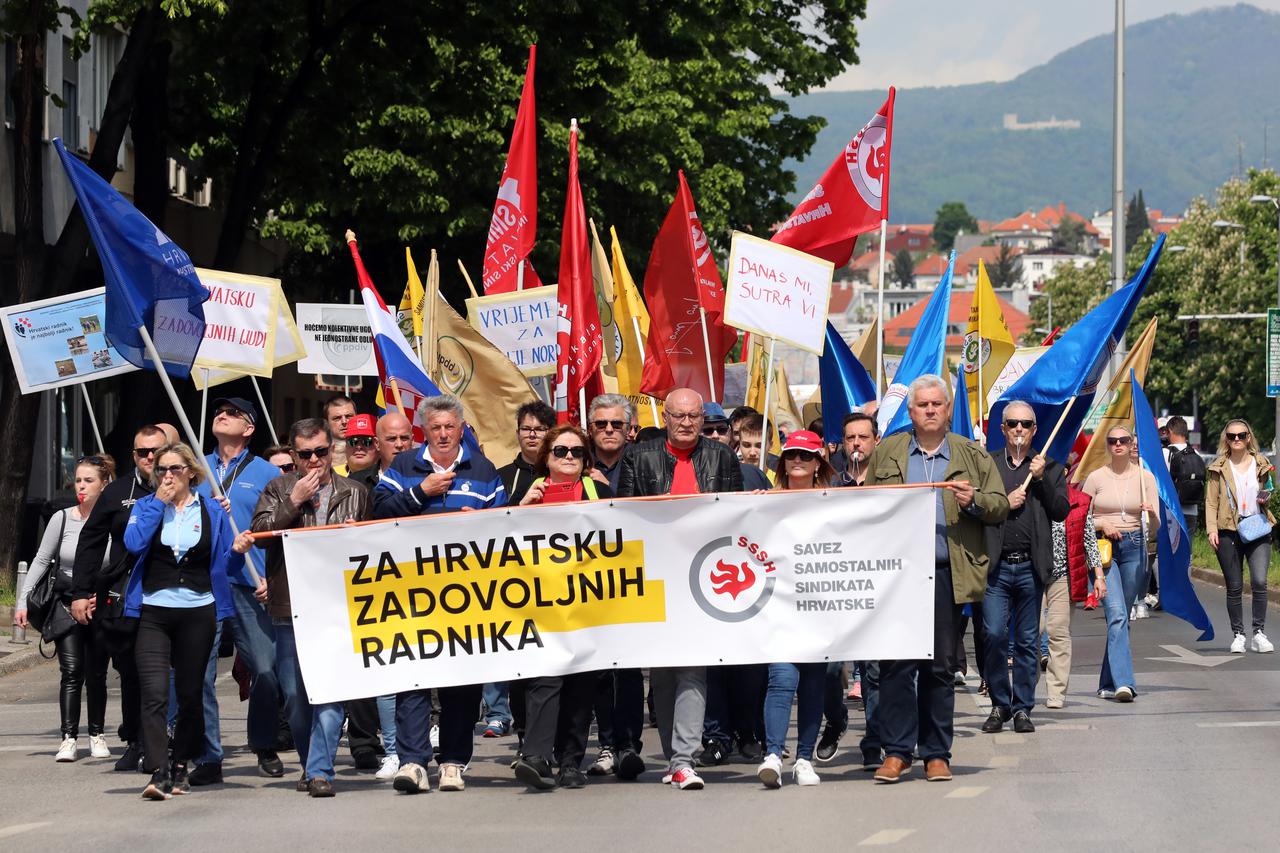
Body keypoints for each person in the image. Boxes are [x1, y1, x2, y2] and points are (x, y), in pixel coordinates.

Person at [868, 375, 1008, 783]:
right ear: (910, 412)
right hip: (899, 575)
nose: (929, 410)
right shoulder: (889, 451)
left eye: (937, 405)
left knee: (941, 667)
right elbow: (866, 505)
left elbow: (999, 505)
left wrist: (975, 501)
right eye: (922, 405)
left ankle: (936, 754)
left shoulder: (971, 453)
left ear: (948, 410)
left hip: (946, 573)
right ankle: (896, 752)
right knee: (895, 665)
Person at [373, 395, 508, 794]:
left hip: (465, 597)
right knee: (413, 677)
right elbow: (378, 514)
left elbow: (504, 529)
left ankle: (452, 762)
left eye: (451, 426)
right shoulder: (403, 467)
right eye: (436, 428)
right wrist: (422, 493)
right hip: (412, 593)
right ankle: (413, 762)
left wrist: (481, 523)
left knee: (461, 682)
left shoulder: (483, 471)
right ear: (424, 431)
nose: (444, 434)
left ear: (462, 428)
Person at [617, 387, 744, 790]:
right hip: (656, 577)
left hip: (703, 577)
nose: (688, 423)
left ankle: (684, 758)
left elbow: (738, 511)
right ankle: (676, 757)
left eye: (694, 417)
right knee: (664, 674)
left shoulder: (721, 456)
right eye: (679, 416)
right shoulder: (640, 457)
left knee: (693, 668)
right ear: (666, 418)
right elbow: (623, 515)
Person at [121, 442, 250, 800]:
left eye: (174, 469)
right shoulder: (147, 507)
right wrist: (158, 504)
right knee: (154, 694)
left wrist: (239, 552)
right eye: (160, 470)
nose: (166, 476)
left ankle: (181, 764)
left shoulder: (212, 510)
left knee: (192, 694)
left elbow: (226, 564)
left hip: (199, 610)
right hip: (153, 610)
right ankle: (160, 770)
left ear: (191, 473)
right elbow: (132, 543)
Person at [252, 418, 371, 797]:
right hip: (291, 607)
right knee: (296, 697)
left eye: (322, 451)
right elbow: (262, 536)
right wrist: (294, 501)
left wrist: (358, 536)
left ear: (332, 449)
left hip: (339, 606)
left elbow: (374, 548)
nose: (315, 461)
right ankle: (309, 762)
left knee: (331, 689)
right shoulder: (277, 487)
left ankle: (321, 770)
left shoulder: (354, 491)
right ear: (294, 454)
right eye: (305, 455)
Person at [512, 423, 615, 790]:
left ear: (586, 459)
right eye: (560, 451)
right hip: (541, 605)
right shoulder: (529, 493)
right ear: (547, 458)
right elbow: (502, 539)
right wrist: (521, 508)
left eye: (576, 452)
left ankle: (571, 761)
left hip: (588, 602)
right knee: (544, 678)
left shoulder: (599, 491)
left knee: (580, 684)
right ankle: (537, 756)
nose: (568, 457)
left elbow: (622, 534)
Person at [190, 397, 284, 785]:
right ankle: (208, 755)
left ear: (248, 429)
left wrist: (274, 580)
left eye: (232, 414)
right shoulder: (195, 469)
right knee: (200, 674)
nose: (221, 415)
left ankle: (263, 742)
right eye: (218, 412)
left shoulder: (265, 473)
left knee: (265, 668)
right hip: (206, 582)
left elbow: (280, 529)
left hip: (250, 581)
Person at [70, 424, 168, 772]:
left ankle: (180, 739)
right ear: (134, 455)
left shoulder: (187, 486)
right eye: (142, 452)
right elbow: (91, 541)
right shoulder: (117, 493)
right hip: (129, 592)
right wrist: (80, 593)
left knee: (177, 673)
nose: (150, 458)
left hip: (175, 590)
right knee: (131, 670)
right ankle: (137, 741)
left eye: (156, 450)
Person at [16, 454, 117, 762]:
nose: (81, 487)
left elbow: (122, 562)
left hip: (101, 603)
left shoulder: (113, 521)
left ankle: (97, 734)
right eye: (78, 480)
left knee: (97, 672)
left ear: (105, 485)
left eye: (89, 481)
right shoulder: (62, 519)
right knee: (71, 671)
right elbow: (41, 561)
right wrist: (22, 600)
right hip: (65, 602)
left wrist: (108, 593)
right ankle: (68, 738)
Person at [980, 403, 1069, 735]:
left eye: (1026, 424)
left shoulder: (1051, 467)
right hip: (996, 567)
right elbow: (975, 505)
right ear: (1002, 429)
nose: (1019, 428)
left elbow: (1060, 510)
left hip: (1030, 567)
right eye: (1013, 423)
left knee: (1029, 640)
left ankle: (1021, 708)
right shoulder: (987, 464)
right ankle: (999, 704)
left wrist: (1042, 478)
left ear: (1035, 430)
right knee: (993, 634)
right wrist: (1004, 501)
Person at [756, 431, 834, 788]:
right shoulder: (766, 501)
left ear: (818, 462)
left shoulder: (834, 502)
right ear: (783, 463)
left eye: (805, 455)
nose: (797, 461)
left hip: (821, 609)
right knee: (782, 678)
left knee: (814, 684)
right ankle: (773, 753)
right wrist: (752, 508)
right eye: (791, 456)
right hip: (779, 607)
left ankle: (804, 758)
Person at [817, 411, 880, 768]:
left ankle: (874, 737)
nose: (857, 443)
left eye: (863, 437)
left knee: (872, 669)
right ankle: (836, 719)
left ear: (875, 442)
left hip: (874, 589)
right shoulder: (831, 486)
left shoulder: (890, 483)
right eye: (850, 438)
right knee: (827, 669)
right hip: (835, 591)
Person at [582, 394, 640, 776]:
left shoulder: (642, 464)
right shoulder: (574, 461)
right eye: (600, 424)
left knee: (631, 668)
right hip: (588, 580)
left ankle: (630, 746)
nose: (607, 430)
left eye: (615, 424)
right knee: (600, 669)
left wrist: (609, 494)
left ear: (629, 430)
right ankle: (606, 744)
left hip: (635, 578)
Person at [1081, 425, 1159, 702]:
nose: (1118, 445)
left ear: (1131, 444)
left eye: (1123, 440)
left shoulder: (1145, 478)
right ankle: (1125, 683)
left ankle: (1107, 682)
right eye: (1112, 441)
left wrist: (1151, 515)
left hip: (1136, 547)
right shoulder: (1095, 477)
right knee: (1116, 615)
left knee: (1122, 618)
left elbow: (1155, 527)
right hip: (1103, 549)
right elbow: (1080, 519)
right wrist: (1103, 522)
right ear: (1107, 445)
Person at [1205, 419, 1275, 654]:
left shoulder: (1261, 463)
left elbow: (1270, 490)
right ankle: (1238, 634)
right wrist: (1211, 529)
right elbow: (1211, 501)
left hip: (1257, 528)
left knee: (1259, 582)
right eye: (1232, 436)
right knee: (1234, 586)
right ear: (1226, 439)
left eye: (1241, 435)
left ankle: (1259, 633)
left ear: (1248, 437)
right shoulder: (1218, 467)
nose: (1236, 439)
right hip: (1228, 530)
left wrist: (1267, 498)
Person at [1042, 479, 1104, 708]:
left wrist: (1098, 576)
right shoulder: (1032, 494)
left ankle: (1056, 693)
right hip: (1033, 574)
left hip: (1063, 576)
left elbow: (1089, 539)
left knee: (1058, 631)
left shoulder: (1079, 501)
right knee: (1032, 631)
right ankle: (1024, 689)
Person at [498, 400, 555, 506]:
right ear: (518, 433)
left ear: (551, 433)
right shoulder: (500, 477)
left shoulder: (558, 473)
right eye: (526, 429)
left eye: (539, 429)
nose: (532, 435)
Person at [586, 394, 633, 492]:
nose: (609, 429)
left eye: (617, 424)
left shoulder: (642, 461)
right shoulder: (579, 462)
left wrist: (608, 486)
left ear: (628, 429)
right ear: (590, 430)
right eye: (601, 424)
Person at [343, 413, 381, 491]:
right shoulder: (333, 479)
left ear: (378, 445)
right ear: (346, 446)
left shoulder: (388, 483)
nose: (359, 447)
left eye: (367, 441)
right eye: (353, 441)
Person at [323, 395, 357, 472]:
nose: (344, 422)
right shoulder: (320, 454)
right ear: (327, 422)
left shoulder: (371, 449)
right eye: (337, 418)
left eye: (348, 416)